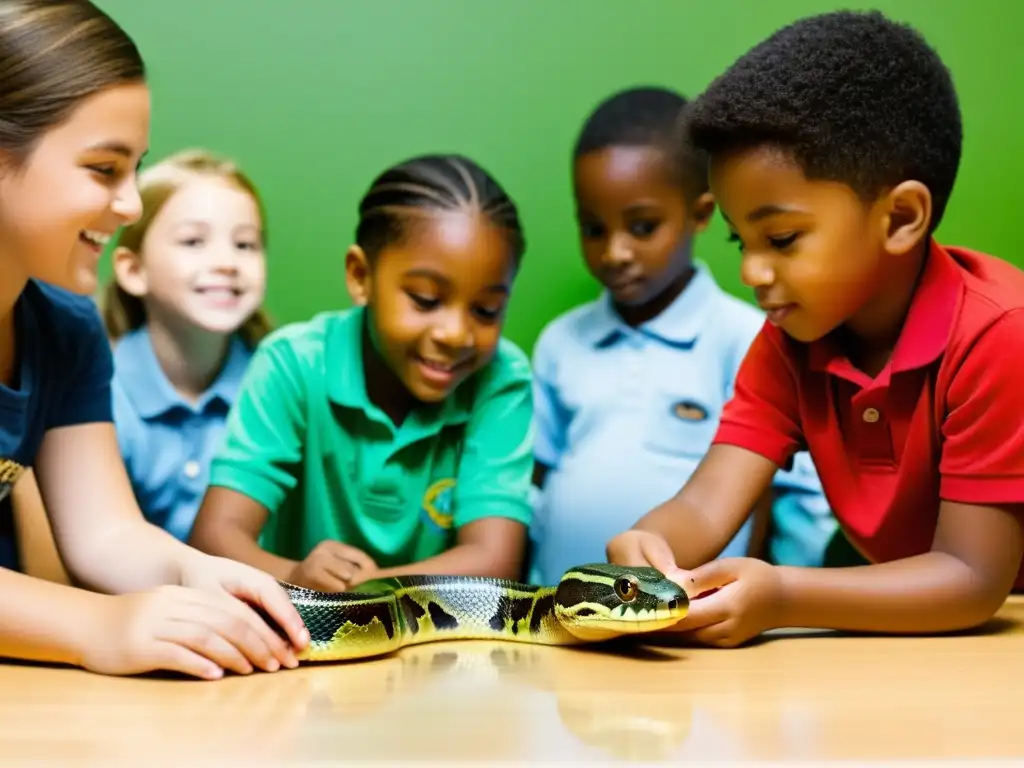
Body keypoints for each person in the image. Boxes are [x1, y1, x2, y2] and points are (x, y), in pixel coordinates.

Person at [606, 9, 1024, 646]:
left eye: (780, 238)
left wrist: (782, 595)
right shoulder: (789, 341)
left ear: (901, 217)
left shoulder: (1001, 336)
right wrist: (650, 546)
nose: (750, 270)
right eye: (740, 240)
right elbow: (704, 505)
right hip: (914, 641)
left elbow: (972, 578)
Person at [0, 0, 307, 681]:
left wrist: (203, 576)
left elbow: (105, 534)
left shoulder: (65, 327)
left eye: (136, 168)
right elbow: (95, 612)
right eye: (104, 169)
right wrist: (96, 624)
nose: (132, 205)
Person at [188, 153, 534, 592]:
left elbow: (495, 560)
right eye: (426, 300)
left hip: (442, 651)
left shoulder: (501, 380)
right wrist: (294, 576)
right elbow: (213, 538)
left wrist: (363, 590)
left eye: (486, 310)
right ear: (360, 276)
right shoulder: (293, 364)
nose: (455, 334)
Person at [527, 86, 831, 585]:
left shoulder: (750, 338)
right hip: (563, 615)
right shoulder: (561, 342)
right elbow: (533, 487)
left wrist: (782, 610)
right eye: (593, 228)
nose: (615, 252)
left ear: (702, 213)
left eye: (642, 227)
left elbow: (794, 497)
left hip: (695, 627)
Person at [103, 148, 272, 543]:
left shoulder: (276, 386)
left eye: (245, 245)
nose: (227, 262)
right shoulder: (99, 393)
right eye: (194, 241)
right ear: (133, 270)